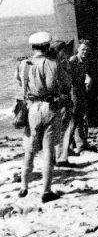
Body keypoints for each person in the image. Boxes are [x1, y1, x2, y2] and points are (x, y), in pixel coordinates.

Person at [16, 32, 61, 203]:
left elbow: (19, 81)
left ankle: (23, 187)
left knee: (29, 149)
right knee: (48, 149)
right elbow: (51, 85)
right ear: (47, 46)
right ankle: (46, 191)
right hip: (48, 107)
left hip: (30, 108)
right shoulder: (51, 63)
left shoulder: (23, 64)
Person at [66, 39, 92, 154]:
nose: (85, 52)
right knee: (74, 118)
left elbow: (84, 74)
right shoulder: (73, 60)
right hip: (74, 92)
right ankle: (67, 146)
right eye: (83, 49)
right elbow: (67, 77)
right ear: (78, 49)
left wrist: (88, 78)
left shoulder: (84, 61)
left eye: (87, 49)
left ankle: (81, 144)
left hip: (81, 90)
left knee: (81, 118)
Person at [50, 41, 74, 167]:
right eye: (64, 50)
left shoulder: (56, 64)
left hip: (60, 99)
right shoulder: (58, 65)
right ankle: (61, 158)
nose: (66, 53)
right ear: (60, 51)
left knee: (58, 129)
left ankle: (56, 157)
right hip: (62, 99)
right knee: (63, 129)